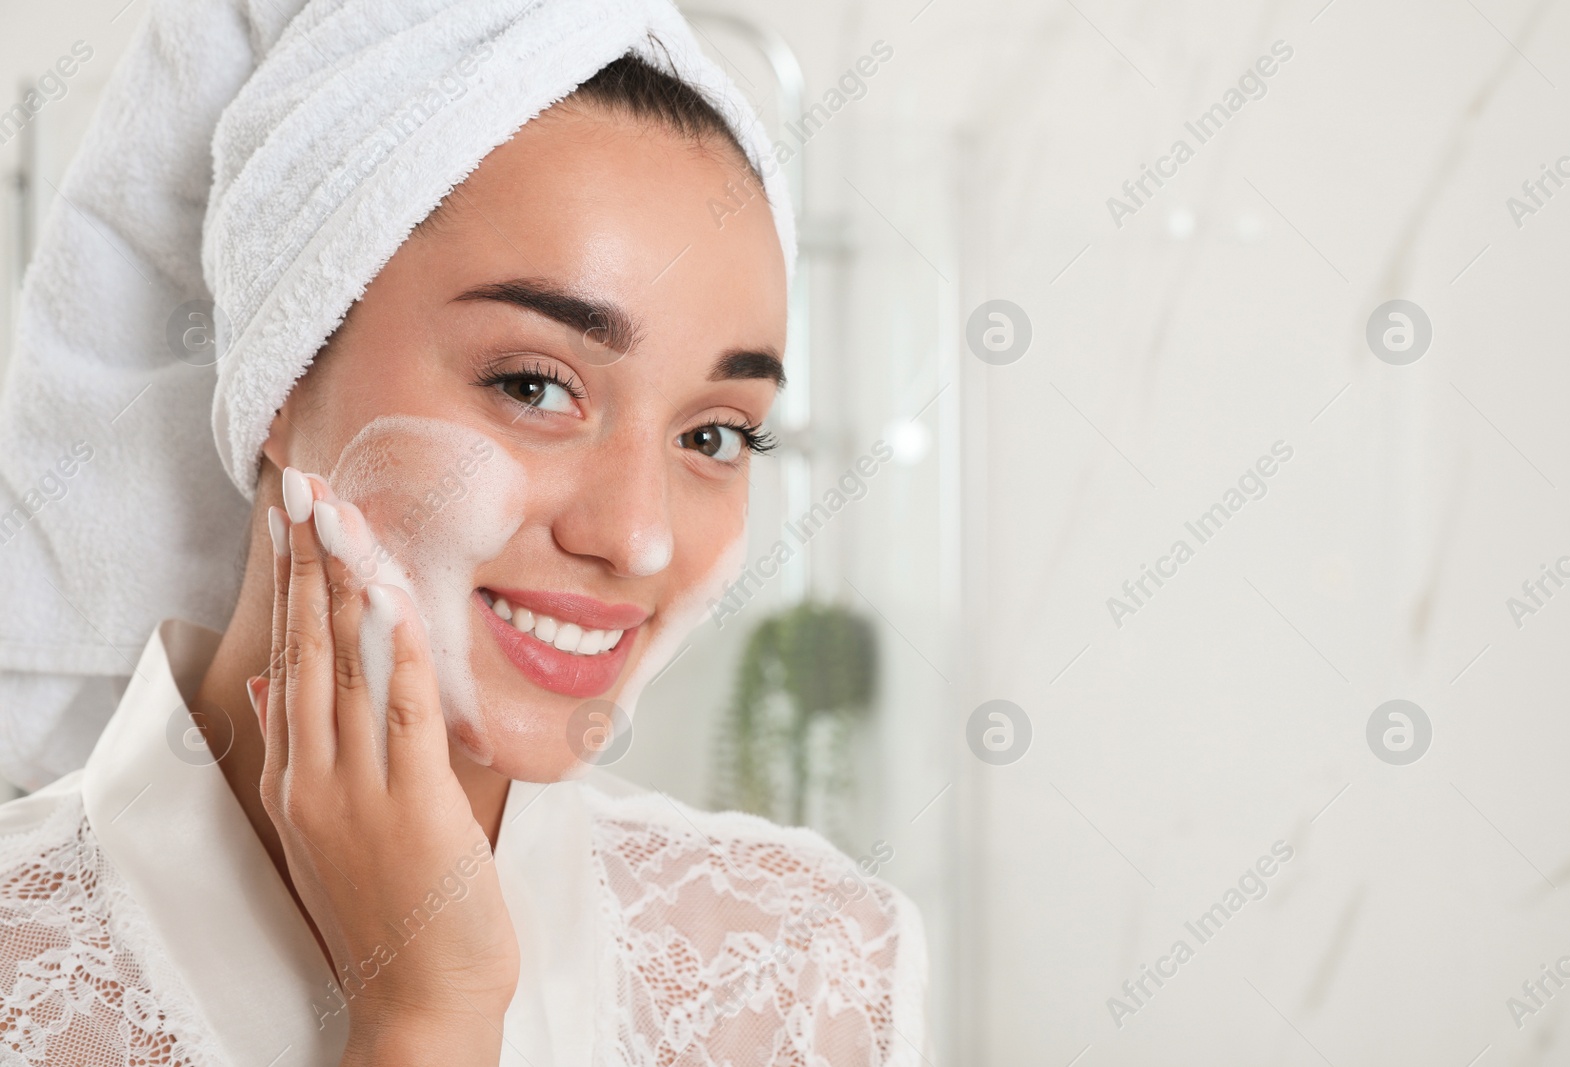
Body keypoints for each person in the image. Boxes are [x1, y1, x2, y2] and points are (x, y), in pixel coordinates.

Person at [0, 0, 927, 1063]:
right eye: (536, 384)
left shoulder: (807, 966)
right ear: (280, 372)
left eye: (714, 433)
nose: (639, 537)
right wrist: (424, 1014)